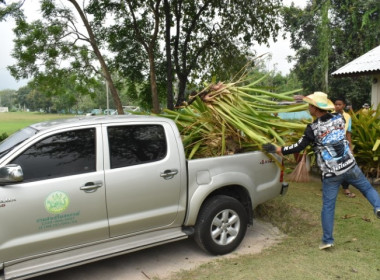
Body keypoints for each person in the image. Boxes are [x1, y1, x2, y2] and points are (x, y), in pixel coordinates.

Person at [263, 91, 380, 250]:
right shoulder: (339, 118)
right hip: (349, 165)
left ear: (316, 108)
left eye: (310, 105)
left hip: (331, 173)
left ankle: (327, 240)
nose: (308, 107)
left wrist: (278, 149)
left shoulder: (312, 128)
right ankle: (378, 206)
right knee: (367, 188)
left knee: (328, 206)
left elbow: (299, 146)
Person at [333, 97, 355, 198]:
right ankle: (328, 185)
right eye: (336, 104)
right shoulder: (329, 115)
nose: (337, 106)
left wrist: (350, 147)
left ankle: (346, 188)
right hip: (330, 145)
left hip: (343, 145)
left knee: (346, 166)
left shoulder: (347, 116)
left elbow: (348, 133)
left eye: (340, 104)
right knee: (330, 166)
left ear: (344, 106)